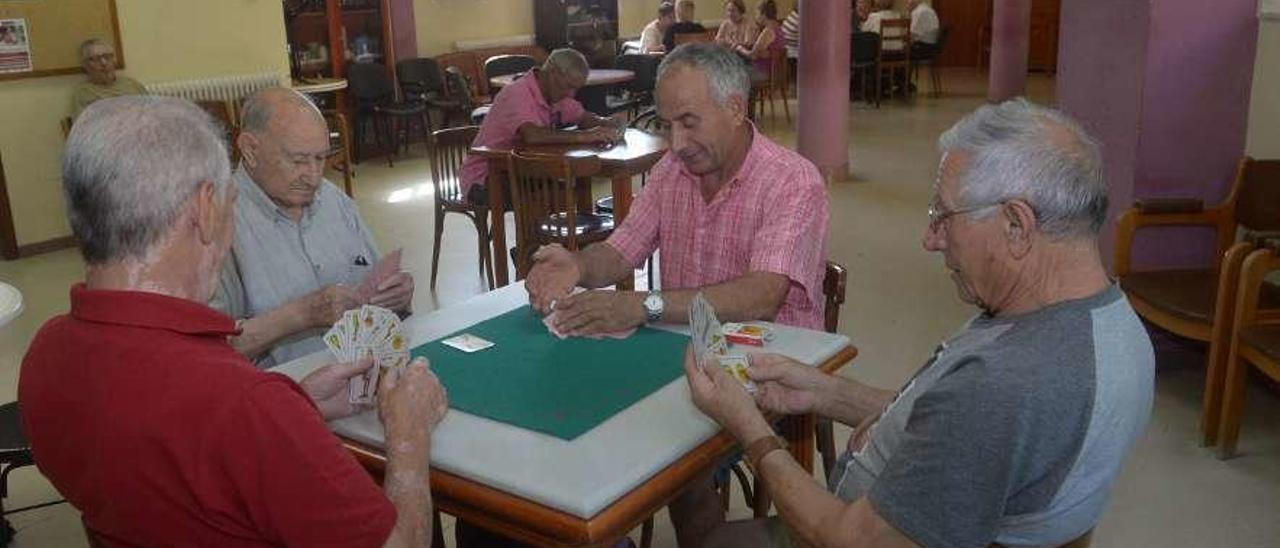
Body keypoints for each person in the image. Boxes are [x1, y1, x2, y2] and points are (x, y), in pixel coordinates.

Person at [673, 99, 1155, 547]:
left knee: (703, 525)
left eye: (943, 216)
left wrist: (751, 428)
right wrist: (824, 392)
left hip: (850, 531)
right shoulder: (1112, 323)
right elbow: (956, 434)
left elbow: (852, 537)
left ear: (1016, 225)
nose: (930, 239)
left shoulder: (1004, 384)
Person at [20, 95, 449, 546]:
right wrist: (407, 436)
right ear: (206, 209)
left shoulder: (45, 357)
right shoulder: (242, 404)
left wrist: (297, 405)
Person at [525, 43, 829, 336]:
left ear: (735, 108)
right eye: (667, 125)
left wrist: (645, 305)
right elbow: (620, 251)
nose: (677, 143)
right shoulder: (671, 170)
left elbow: (761, 298)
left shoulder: (793, 182)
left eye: (688, 122)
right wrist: (577, 265)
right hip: (687, 349)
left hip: (780, 361)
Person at [213, 88, 415, 368]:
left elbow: (376, 288)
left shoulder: (333, 200)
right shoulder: (215, 223)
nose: (313, 176)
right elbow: (208, 353)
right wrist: (301, 315)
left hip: (363, 373)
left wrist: (397, 297)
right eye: (298, 161)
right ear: (249, 149)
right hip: (279, 392)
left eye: (320, 158)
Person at [457, 48, 623, 205]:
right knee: (554, 196)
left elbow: (582, 117)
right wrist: (586, 136)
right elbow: (533, 135)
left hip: (520, 171)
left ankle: (557, 234)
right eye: (568, 86)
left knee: (568, 192)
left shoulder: (556, 94)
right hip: (483, 178)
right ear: (551, 73)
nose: (571, 94)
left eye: (575, 89)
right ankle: (538, 235)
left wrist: (605, 122)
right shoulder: (517, 92)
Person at [70, 38, 146, 119]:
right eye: (96, 59)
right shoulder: (84, 92)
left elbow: (152, 111)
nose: (104, 63)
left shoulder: (132, 84)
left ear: (114, 60)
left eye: (107, 57)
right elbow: (83, 126)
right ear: (86, 65)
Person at [733, 0, 785, 81]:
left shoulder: (768, 31)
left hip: (762, 72)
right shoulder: (778, 27)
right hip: (773, 71)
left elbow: (752, 56)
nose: (756, 17)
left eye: (757, 14)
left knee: (731, 74)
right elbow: (762, 51)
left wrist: (739, 48)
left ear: (763, 15)